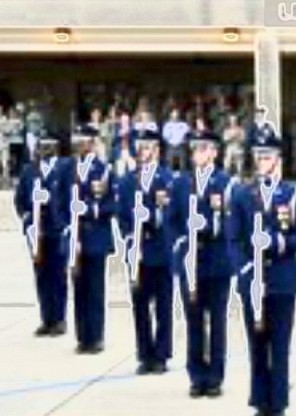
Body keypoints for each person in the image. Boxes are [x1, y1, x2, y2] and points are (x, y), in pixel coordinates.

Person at [228, 125, 296, 416]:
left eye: (267, 156)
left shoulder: (293, 195)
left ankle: (277, 404)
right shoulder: (242, 194)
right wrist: (246, 269)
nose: (262, 161)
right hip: (252, 282)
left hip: (281, 281)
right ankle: (259, 403)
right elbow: (233, 239)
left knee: (279, 345)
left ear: (278, 158)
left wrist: (277, 242)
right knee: (256, 345)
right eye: (258, 156)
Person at [169, 129, 237, 397]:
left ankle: (215, 376)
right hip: (190, 261)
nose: (198, 153)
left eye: (204, 148)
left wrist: (211, 225)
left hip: (217, 260)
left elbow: (232, 222)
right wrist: (182, 240)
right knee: (194, 320)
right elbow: (172, 221)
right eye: (195, 148)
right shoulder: (181, 184)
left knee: (217, 321)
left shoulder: (225, 183)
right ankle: (196, 375)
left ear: (214, 152)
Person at [117, 123, 176, 374]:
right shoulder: (129, 180)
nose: (144, 152)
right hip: (138, 252)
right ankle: (145, 354)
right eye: (141, 147)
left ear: (158, 150)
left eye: (149, 147)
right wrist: (129, 237)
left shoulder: (168, 179)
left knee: (163, 306)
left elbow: (171, 215)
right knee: (140, 306)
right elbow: (121, 216)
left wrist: (151, 216)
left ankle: (161, 354)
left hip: (161, 251)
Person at [61, 124, 117, 354]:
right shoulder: (68, 168)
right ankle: (82, 336)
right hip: (75, 235)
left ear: (93, 143)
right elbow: (58, 199)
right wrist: (66, 223)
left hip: (95, 234)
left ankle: (96, 337)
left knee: (95, 288)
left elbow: (112, 203)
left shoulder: (103, 170)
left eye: (84, 140)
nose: (79, 144)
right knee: (78, 287)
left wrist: (90, 210)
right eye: (78, 140)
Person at [14, 129, 67, 337]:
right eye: (42, 145)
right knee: (41, 275)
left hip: (56, 228)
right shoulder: (29, 171)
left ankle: (59, 318)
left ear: (56, 147)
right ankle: (47, 318)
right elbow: (19, 200)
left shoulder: (64, 169)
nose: (44, 149)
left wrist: (51, 200)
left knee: (58, 275)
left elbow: (68, 197)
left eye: (49, 145)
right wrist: (28, 219)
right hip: (37, 231)